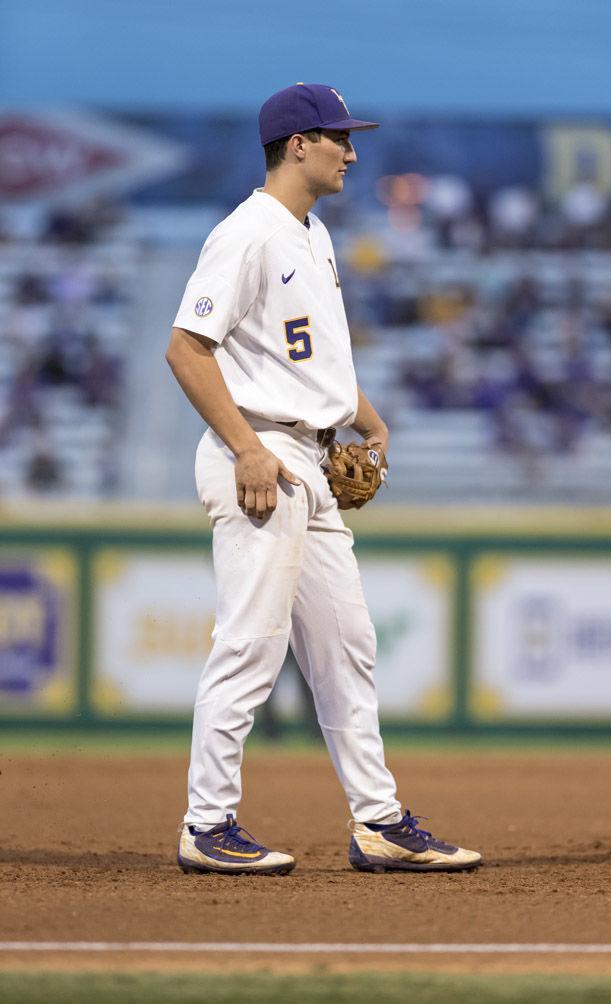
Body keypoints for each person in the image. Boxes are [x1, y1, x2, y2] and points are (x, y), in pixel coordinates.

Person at [166, 83, 482, 876]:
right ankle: (206, 824)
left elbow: (313, 361)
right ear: (296, 144)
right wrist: (244, 448)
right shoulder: (247, 234)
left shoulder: (316, 236)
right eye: (338, 137)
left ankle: (377, 821)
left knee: (348, 647)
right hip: (261, 457)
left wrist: (365, 417)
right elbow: (185, 348)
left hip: (307, 452)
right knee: (250, 647)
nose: (351, 150)